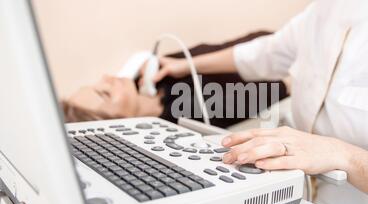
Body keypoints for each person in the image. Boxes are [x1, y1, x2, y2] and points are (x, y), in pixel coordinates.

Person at [151, 0, 368, 204]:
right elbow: (264, 53)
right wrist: (179, 65)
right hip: (297, 195)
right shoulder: (324, 12)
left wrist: (340, 154)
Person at [62, 32, 290, 128]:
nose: (108, 78)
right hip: (288, 64)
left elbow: (219, 49)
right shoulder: (184, 114)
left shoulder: (158, 75)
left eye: (97, 83)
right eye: (105, 93)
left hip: (276, 42)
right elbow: (278, 88)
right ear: (119, 121)